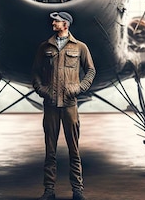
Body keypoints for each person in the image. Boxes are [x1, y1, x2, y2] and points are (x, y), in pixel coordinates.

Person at [32, 11, 96, 200]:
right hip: (50, 105)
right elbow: (35, 72)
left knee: (74, 150)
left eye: (57, 21)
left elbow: (91, 71)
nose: (53, 22)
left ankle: (77, 191)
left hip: (70, 105)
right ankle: (49, 191)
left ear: (66, 24)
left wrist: (79, 88)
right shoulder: (45, 47)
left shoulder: (80, 47)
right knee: (49, 151)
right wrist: (42, 90)